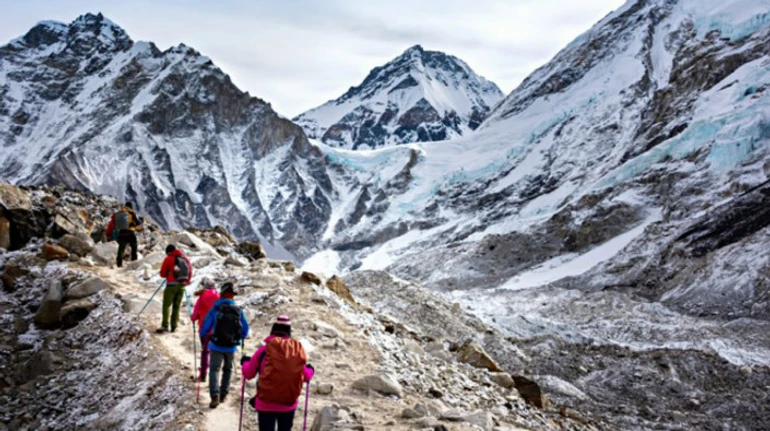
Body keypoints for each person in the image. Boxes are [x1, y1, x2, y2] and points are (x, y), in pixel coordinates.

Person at [241, 316, 314, 431]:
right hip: (288, 404)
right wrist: (310, 370)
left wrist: (245, 363)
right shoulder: (295, 352)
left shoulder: (264, 351)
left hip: (265, 403)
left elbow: (248, 374)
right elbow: (306, 376)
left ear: (273, 329)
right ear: (288, 332)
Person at [200, 282, 249, 408]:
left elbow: (206, 325)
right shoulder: (238, 311)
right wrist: (240, 337)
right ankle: (224, 393)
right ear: (233, 296)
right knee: (228, 369)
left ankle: (214, 396)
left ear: (221, 295)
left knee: (214, 370)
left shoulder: (216, 309)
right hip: (231, 346)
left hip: (216, 344)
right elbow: (245, 328)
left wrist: (204, 334)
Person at [157, 244, 193, 333]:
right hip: (182, 285)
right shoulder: (185, 258)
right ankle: (174, 326)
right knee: (176, 306)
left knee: (166, 305)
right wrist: (186, 281)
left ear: (169, 252)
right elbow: (190, 271)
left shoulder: (169, 258)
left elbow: (162, 273)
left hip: (171, 285)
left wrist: (168, 274)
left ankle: (165, 325)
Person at [191, 277, 220, 382]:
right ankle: (214, 373)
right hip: (217, 329)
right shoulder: (219, 297)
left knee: (205, 351)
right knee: (215, 351)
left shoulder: (201, 297)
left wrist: (193, 317)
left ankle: (203, 373)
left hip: (204, 329)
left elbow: (194, 316)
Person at [106, 202, 143, 268]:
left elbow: (115, 223)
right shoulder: (131, 212)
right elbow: (137, 222)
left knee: (121, 249)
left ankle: (119, 263)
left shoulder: (120, 213)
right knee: (134, 247)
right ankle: (134, 262)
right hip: (130, 232)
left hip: (122, 233)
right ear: (131, 206)